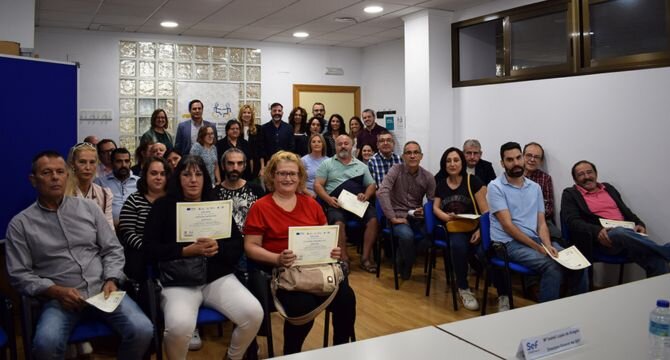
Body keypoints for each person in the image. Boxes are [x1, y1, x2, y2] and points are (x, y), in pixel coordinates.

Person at [5, 151, 153, 359]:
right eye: (47, 172)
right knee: (45, 344)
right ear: (33, 180)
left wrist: (111, 278)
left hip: (103, 291)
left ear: (67, 176)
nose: (55, 177)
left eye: (60, 172)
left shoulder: (89, 209)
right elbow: (19, 274)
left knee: (143, 330)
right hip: (59, 299)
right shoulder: (21, 225)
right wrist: (55, 291)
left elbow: (112, 248)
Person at [144, 155, 263, 360]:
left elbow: (236, 246)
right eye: (186, 174)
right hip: (178, 281)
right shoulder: (163, 206)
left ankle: (233, 357)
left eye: (198, 174)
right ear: (178, 178)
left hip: (217, 277)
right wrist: (183, 252)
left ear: (205, 178)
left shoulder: (216, 204)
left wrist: (219, 247)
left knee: (253, 313)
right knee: (179, 328)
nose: (193, 180)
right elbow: (149, 249)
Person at [244, 151, 356, 354]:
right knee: (302, 305)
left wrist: (333, 250)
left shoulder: (311, 204)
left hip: (318, 270)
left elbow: (325, 236)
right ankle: (291, 353)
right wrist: (277, 258)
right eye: (282, 174)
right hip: (283, 273)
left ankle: (341, 350)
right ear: (272, 176)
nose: (288, 178)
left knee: (347, 299)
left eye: (293, 174)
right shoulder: (260, 207)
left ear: (300, 177)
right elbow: (250, 247)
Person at [487, 142, 587, 308]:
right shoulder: (495, 187)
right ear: (502, 163)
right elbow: (508, 226)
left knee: (578, 263)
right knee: (552, 267)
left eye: (518, 157)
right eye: (510, 160)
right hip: (508, 244)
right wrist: (538, 247)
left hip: (535, 240)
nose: (516, 163)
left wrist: (547, 245)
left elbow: (541, 222)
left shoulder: (535, 187)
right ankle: (546, 317)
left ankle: (578, 309)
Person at [561, 160, 670, 278]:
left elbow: (626, 211)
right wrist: (597, 231)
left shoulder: (608, 188)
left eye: (589, 172)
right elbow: (572, 221)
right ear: (575, 179)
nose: (587, 177)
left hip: (628, 236)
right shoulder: (570, 194)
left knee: (656, 260)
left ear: (596, 174)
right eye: (581, 174)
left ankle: (658, 292)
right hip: (603, 240)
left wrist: (639, 223)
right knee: (619, 231)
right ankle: (665, 251)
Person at [433, 147, 489, 310]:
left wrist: (480, 230)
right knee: (458, 246)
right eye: (448, 161)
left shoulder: (473, 181)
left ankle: (501, 292)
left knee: (485, 250)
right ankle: (463, 288)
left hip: (475, 227)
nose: (452, 164)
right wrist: (445, 217)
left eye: (456, 160)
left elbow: (486, 211)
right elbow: (435, 207)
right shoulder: (441, 184)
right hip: (455, 228)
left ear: (462, 162)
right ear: (444, 164)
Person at [314, 134, 379, 273]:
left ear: (351, 146)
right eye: (340, 144)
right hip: (336, 204)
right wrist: (328, 199)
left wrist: (366, 195)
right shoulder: (327, 164)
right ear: (335, 146)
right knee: (338, 223)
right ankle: (344, 260)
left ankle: (366, 259)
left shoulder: (361, 166)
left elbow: (372, 185)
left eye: (346, 143)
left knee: (373, 219)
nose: (343, 146)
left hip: (357, 203)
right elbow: (318, 185)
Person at [377, 141, 435, 280]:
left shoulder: (428, 177)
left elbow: (433, 202)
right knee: (407, 236)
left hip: (416, 217)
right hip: (397, 215)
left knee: (432, 237)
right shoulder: (395, 170)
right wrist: (392, 217)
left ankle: (401, 256)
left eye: (416, 153)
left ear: (421, 156)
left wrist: (425, 209)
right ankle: (407, 265)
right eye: (409, 153)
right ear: (403, 156)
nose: (412, 156)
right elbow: (382, 192)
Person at [118, 156, 170, 282]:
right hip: (141, 254)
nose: (158, 177)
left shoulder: (174, 200)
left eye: (162, 174)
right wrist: (151, 250)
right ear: (145, 175)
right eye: (153, 173)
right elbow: (128, 233)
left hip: (170, 256)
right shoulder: (134, 200)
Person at [215, 148, 265, 235]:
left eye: (239, 163)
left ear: (245, 166)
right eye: (230, 163)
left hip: (254, 243)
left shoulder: (256, 190)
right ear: (223, 165)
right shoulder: (214, 194)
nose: (235, 168)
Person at [65, 142, 114, 229]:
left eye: (92, 162)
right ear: (72, 164)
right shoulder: (62, 193)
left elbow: (109, 231)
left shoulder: (104, 194)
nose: (88, 167)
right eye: (82, 162)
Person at [523, 142, 562, 240]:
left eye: (536, 157)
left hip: (541, 219)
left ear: (541, 161)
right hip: (518, 220)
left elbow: (549, 207)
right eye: (529, 155)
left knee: (557, 238)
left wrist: (534, 218)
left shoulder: (545, 178)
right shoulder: (512, 176)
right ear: (522, 156)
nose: (532, 159)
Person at [95, 148, 139, 227]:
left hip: (136, 228)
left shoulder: (140, 182)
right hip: (109, 229)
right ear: (111, 163)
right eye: (119, 161)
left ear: (130, 163)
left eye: (126, 161)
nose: (123, 165)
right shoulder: (100, 183)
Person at [238, 104, 265, 182]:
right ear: (241, 115)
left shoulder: (258, 129)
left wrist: (262, 168)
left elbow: (261, 149)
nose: (247, 114)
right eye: (244, 112)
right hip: (241, 164)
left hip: (256, 165)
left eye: (249, 113)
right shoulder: (237, 129)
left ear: (252, 115)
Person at [301, 133, 328, 198]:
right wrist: (309, 194)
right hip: (307, 194)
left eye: (319, 142)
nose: (316, 144)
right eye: (313, 142)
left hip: (325, 195)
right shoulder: (303, 160)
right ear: (310, 145)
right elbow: (299, 181)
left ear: (323, 144)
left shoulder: (329, 161)